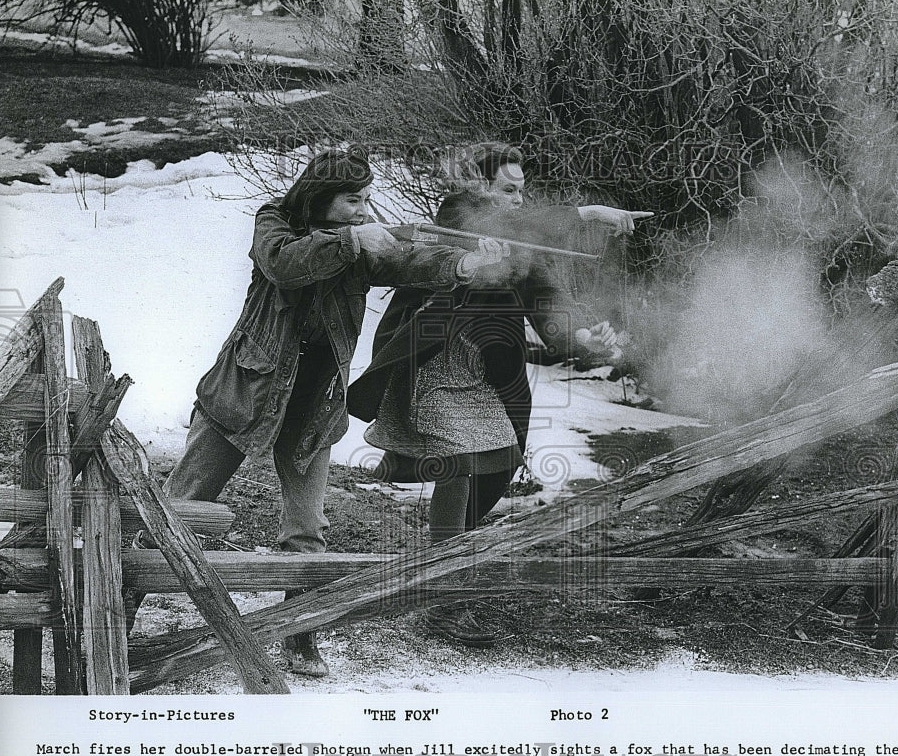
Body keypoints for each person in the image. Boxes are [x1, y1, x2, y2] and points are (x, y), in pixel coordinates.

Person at [125, 147, 508, 676]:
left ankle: (299, 635)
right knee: (178, 512)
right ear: (320, 197)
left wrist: (464, 264)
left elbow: (409, 261)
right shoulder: (273, 222)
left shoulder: (361, 242)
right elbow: (286, 265)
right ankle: (118, 611)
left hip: (314, 407)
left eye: (367, 199)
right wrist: (353, 239)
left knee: (306, 532)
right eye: (353, 199)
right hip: (243, 398)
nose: (363, 209)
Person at [346, 144, 652, 647]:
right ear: (479, 188)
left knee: (499, 460)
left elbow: (544, 301)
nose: (517, 200)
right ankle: (444, 596)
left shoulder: (523, 238)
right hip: (435, 357)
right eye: (508, 190)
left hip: (487, 368)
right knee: (464, 461)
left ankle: (443, 563)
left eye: (522, 192)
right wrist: (588, 213)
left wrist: (579, 337)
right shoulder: (458, 215)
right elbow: (512, 227)